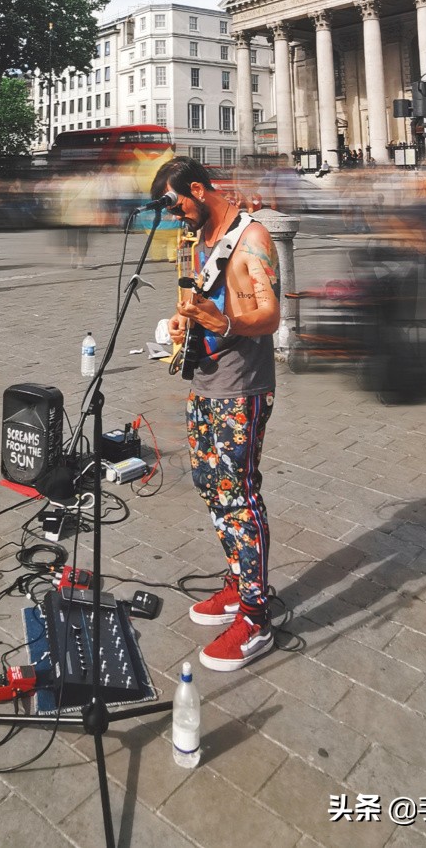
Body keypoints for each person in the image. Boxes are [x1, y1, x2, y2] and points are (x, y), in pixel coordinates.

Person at [151, 155, 281, 672]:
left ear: (199, 190)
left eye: (177, 203)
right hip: (204, 381)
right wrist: (183, 324)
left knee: (238, 494)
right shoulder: (200, 238)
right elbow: (201, 306)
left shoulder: (252, 238)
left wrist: (224, 323)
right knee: (210, 485)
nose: (175, 214)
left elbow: (269, 315)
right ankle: (238, 579)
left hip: (241, 388)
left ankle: (256, 616)